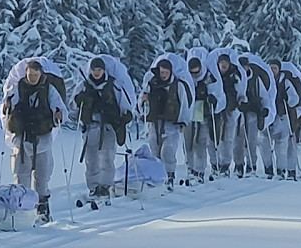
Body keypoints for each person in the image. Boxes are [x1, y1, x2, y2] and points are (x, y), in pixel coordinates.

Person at [1, 58, 65, 224]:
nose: (33, 78)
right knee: (21, 177)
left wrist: (58, 114)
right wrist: (6, 107)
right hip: (21, 139)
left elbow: (58, 105)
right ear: (26, 73)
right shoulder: (17, 87)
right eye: (30, 75)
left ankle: (42, 209)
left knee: (42, 177)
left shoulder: (48, 89)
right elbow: (8, 105)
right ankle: (23, 211)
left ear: (40, 74)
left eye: (35, 75)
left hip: (42, 139)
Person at [74, 56, 133, 202]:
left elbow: (123, 102)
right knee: (91, 159)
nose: (96, 73)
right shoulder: (84, 85)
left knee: (107, 157)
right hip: (91, 126)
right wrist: (81, 102)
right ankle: (94, 187)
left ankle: (105, 186)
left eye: (99, 70)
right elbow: (74, 105)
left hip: (108, 126)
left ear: (103, 70)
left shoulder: (113, 85)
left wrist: (125, 116)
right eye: (94, 70)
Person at [140, 55, 192, 190]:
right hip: (155, 124)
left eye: (166, 72)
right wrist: (143, 102)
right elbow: (141, 102)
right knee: (155, 153)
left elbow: (185, 103)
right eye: (161, 72)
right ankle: (157, 179)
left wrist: (184, 121)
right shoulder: (151, 84)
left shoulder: (178, 85)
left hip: (172, 124)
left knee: (167, 152)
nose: (163, 75)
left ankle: (170, 176)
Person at [234, 53, 275, 178]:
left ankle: (252, 166)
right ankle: (238, 166)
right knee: (237, 142)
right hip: (238, 114)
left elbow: (264, 96)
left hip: (252, 114)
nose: (244, 69)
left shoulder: (255, 80)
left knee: (251, 141)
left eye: (245, 67)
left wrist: (265, 109)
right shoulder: (235, 78)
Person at [185, 53, 223, 184]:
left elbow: (217, 92)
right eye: (192, 73)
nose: (195, 75)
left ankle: (213, 165)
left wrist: (213, 99)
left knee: (205, 141)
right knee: (192, 143)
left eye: (196, 72)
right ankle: (195, 169)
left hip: (206, 113)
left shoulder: (209, 76)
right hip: (192, 113)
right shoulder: (187, 78)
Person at [211, 50, 247, 177]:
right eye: (221, 63)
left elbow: (240, 91)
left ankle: (225, 165)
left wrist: (241, 102)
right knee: (215, 137)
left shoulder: (234, 76)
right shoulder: (214, 76)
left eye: (225, 63)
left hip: (231, 110)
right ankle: (216, 164)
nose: (223, 66)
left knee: (228, 138)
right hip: (217, 111)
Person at [269, 60, 301, 180]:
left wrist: (287, 102)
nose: (273, 70)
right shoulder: (268, 81)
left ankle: (287, 169)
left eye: (275, 68)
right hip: (274, 117)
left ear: (279, 69)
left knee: (285, 144)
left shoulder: (285, 81)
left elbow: (294, 99)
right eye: (271, 68)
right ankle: (280, 169)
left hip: (286, 116)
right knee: (278, 144)